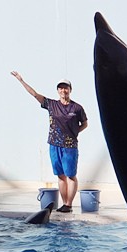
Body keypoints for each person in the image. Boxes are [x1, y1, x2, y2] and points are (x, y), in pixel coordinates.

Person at [11, 71, 88, 213]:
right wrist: (21, 80)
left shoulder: (77, 108)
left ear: (70, 90)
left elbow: (85, 123)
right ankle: (64, 204)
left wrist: (75, 131)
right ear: (58, 90)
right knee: (60, 175)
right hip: (54, 145)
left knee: (70, 175)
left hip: (70, 146)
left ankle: (69, 204)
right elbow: (34, 94)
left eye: (66, 88)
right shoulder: (52, 104)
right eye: (61, 88)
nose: (63, 90)